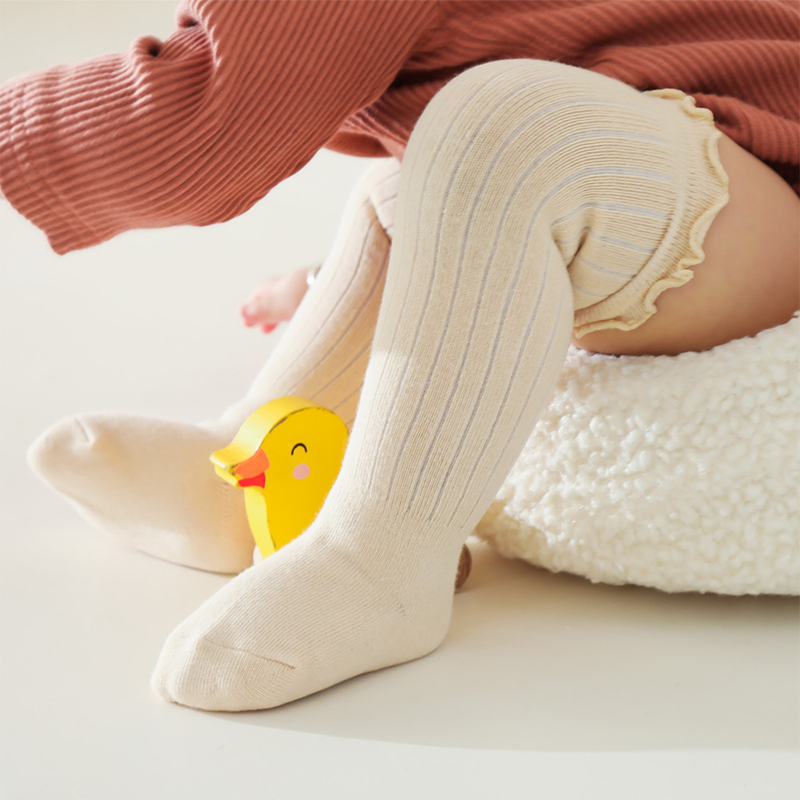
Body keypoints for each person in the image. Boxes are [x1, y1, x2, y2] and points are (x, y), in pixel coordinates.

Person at [1, 0, 797, 712]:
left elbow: (201, 117)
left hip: (764, 180)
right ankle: (252, 467)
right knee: (414, 172)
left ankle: (382, 555)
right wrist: (328, 278)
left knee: (503, 125)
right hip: (687, 165)